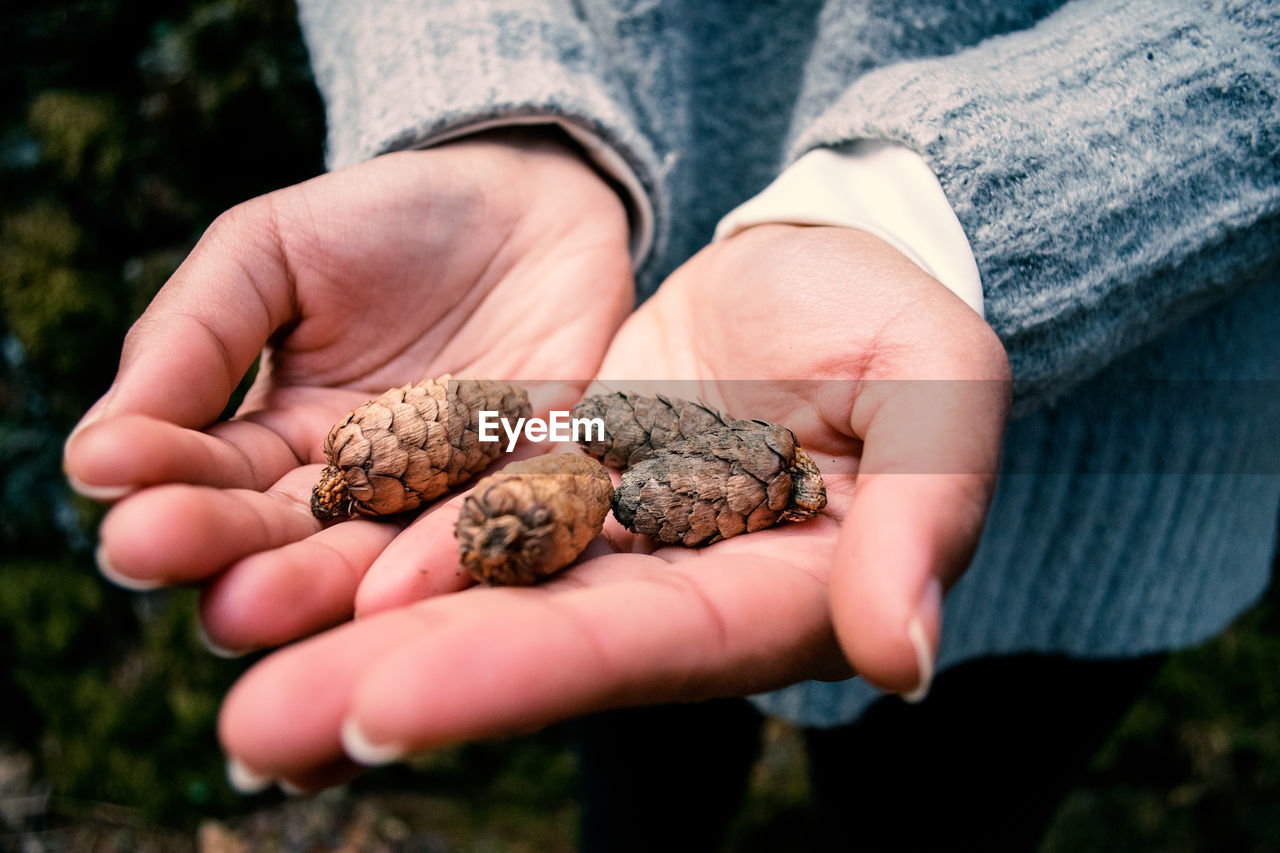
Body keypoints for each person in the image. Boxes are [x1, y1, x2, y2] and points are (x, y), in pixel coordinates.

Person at [62, 1, 1279, 849]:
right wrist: (481, 105)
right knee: (636, 780)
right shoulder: (583, 463)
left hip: (1110, 470)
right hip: (621, 329)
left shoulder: (637, 472)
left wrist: (909, 213)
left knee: (940, 812)